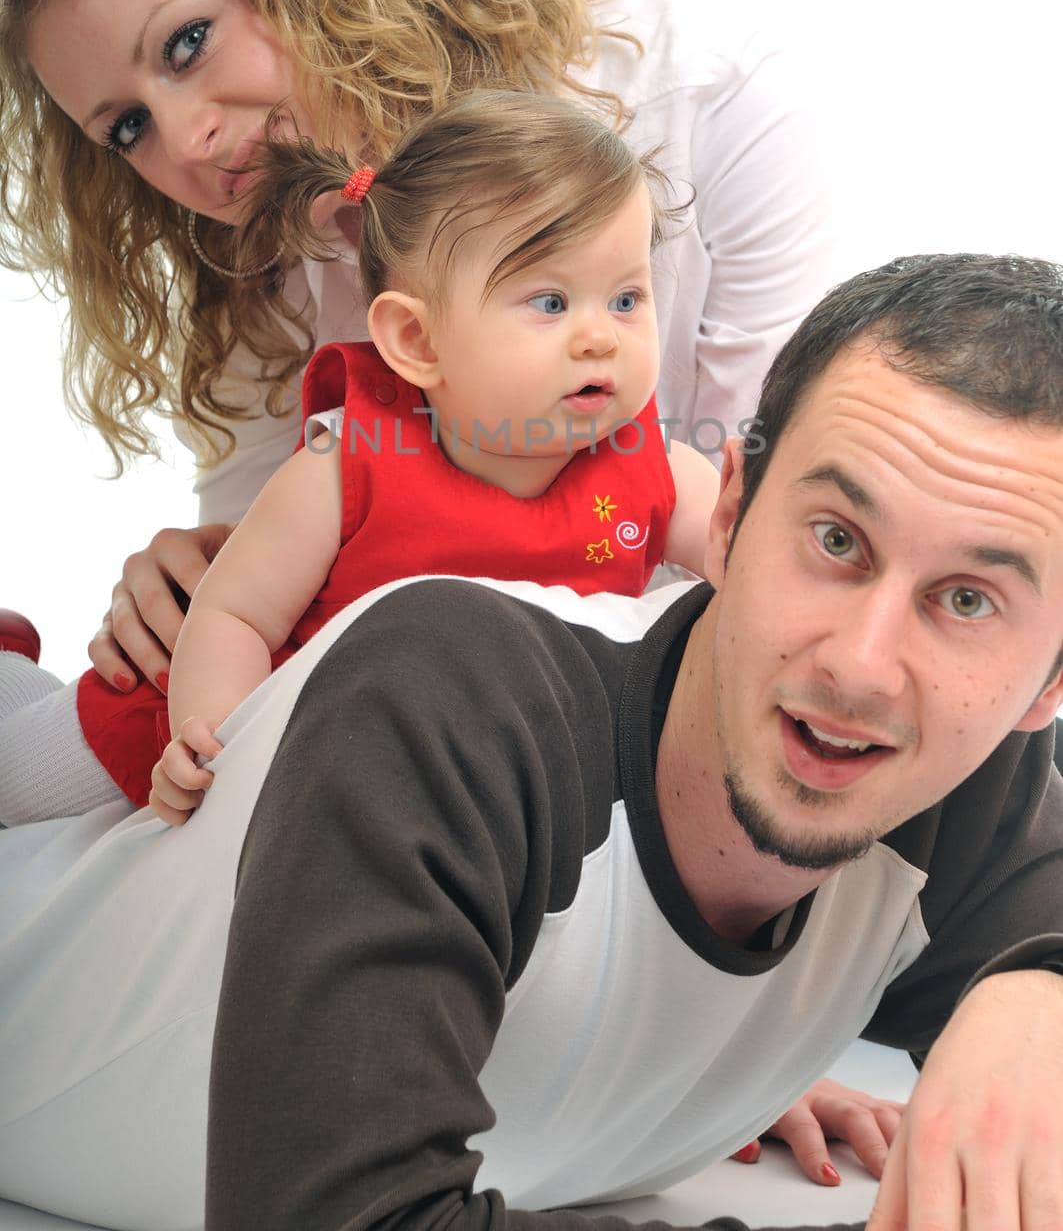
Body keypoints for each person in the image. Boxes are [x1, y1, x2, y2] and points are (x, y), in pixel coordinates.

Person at [1, 251, 1061, 1231]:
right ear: (727, 515)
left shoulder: (965, 789)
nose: (861, 664)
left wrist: (1035, 991)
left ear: (1047, 685)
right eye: (835, 539)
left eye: (966, 599)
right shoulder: (448, 694)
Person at [0, 0, 831, 767]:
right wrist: (193, 581)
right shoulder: (253, 259)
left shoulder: (700, 106)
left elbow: (763, 529)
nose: (187, 142)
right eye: (127, 127)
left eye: (187, 43)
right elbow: (276, 573)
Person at [2, 92, 720, 823]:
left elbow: (751, 557)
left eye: (627, 299)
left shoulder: (658, 471)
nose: (602, 337)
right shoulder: (349, 465)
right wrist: (220, 741)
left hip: (438, 758)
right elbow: (236, 616)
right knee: (17, 777)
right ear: (417, 341)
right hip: (252, 702)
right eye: (549, 302)